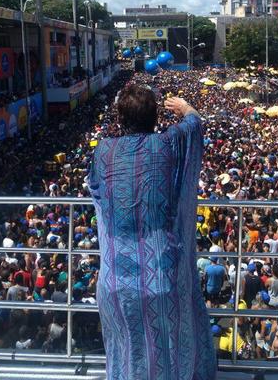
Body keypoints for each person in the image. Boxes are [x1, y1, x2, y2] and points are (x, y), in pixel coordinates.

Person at [89, 85, 217, 380]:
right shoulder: (169, 145)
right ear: (155, 116)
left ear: (120, 118)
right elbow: (194, 125)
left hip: (116, 282)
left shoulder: (103, 152)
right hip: (163, 278)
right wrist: (184, 107)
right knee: (170, 355)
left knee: (129, 354)